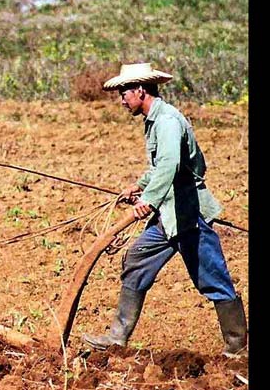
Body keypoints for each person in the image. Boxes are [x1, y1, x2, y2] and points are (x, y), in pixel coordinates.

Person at [82, 63, 248, 358]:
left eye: (124, 94)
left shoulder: (168, 121)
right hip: (167, 216)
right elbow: (160, 167)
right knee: (137, 260)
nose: (121, 100)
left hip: (187, 214)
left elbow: (171, 165)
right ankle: (117, 337)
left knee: (212, 278)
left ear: (140, 91)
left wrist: (149, 200)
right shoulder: (154, 120)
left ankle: (237, 346)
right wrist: (139, 185)